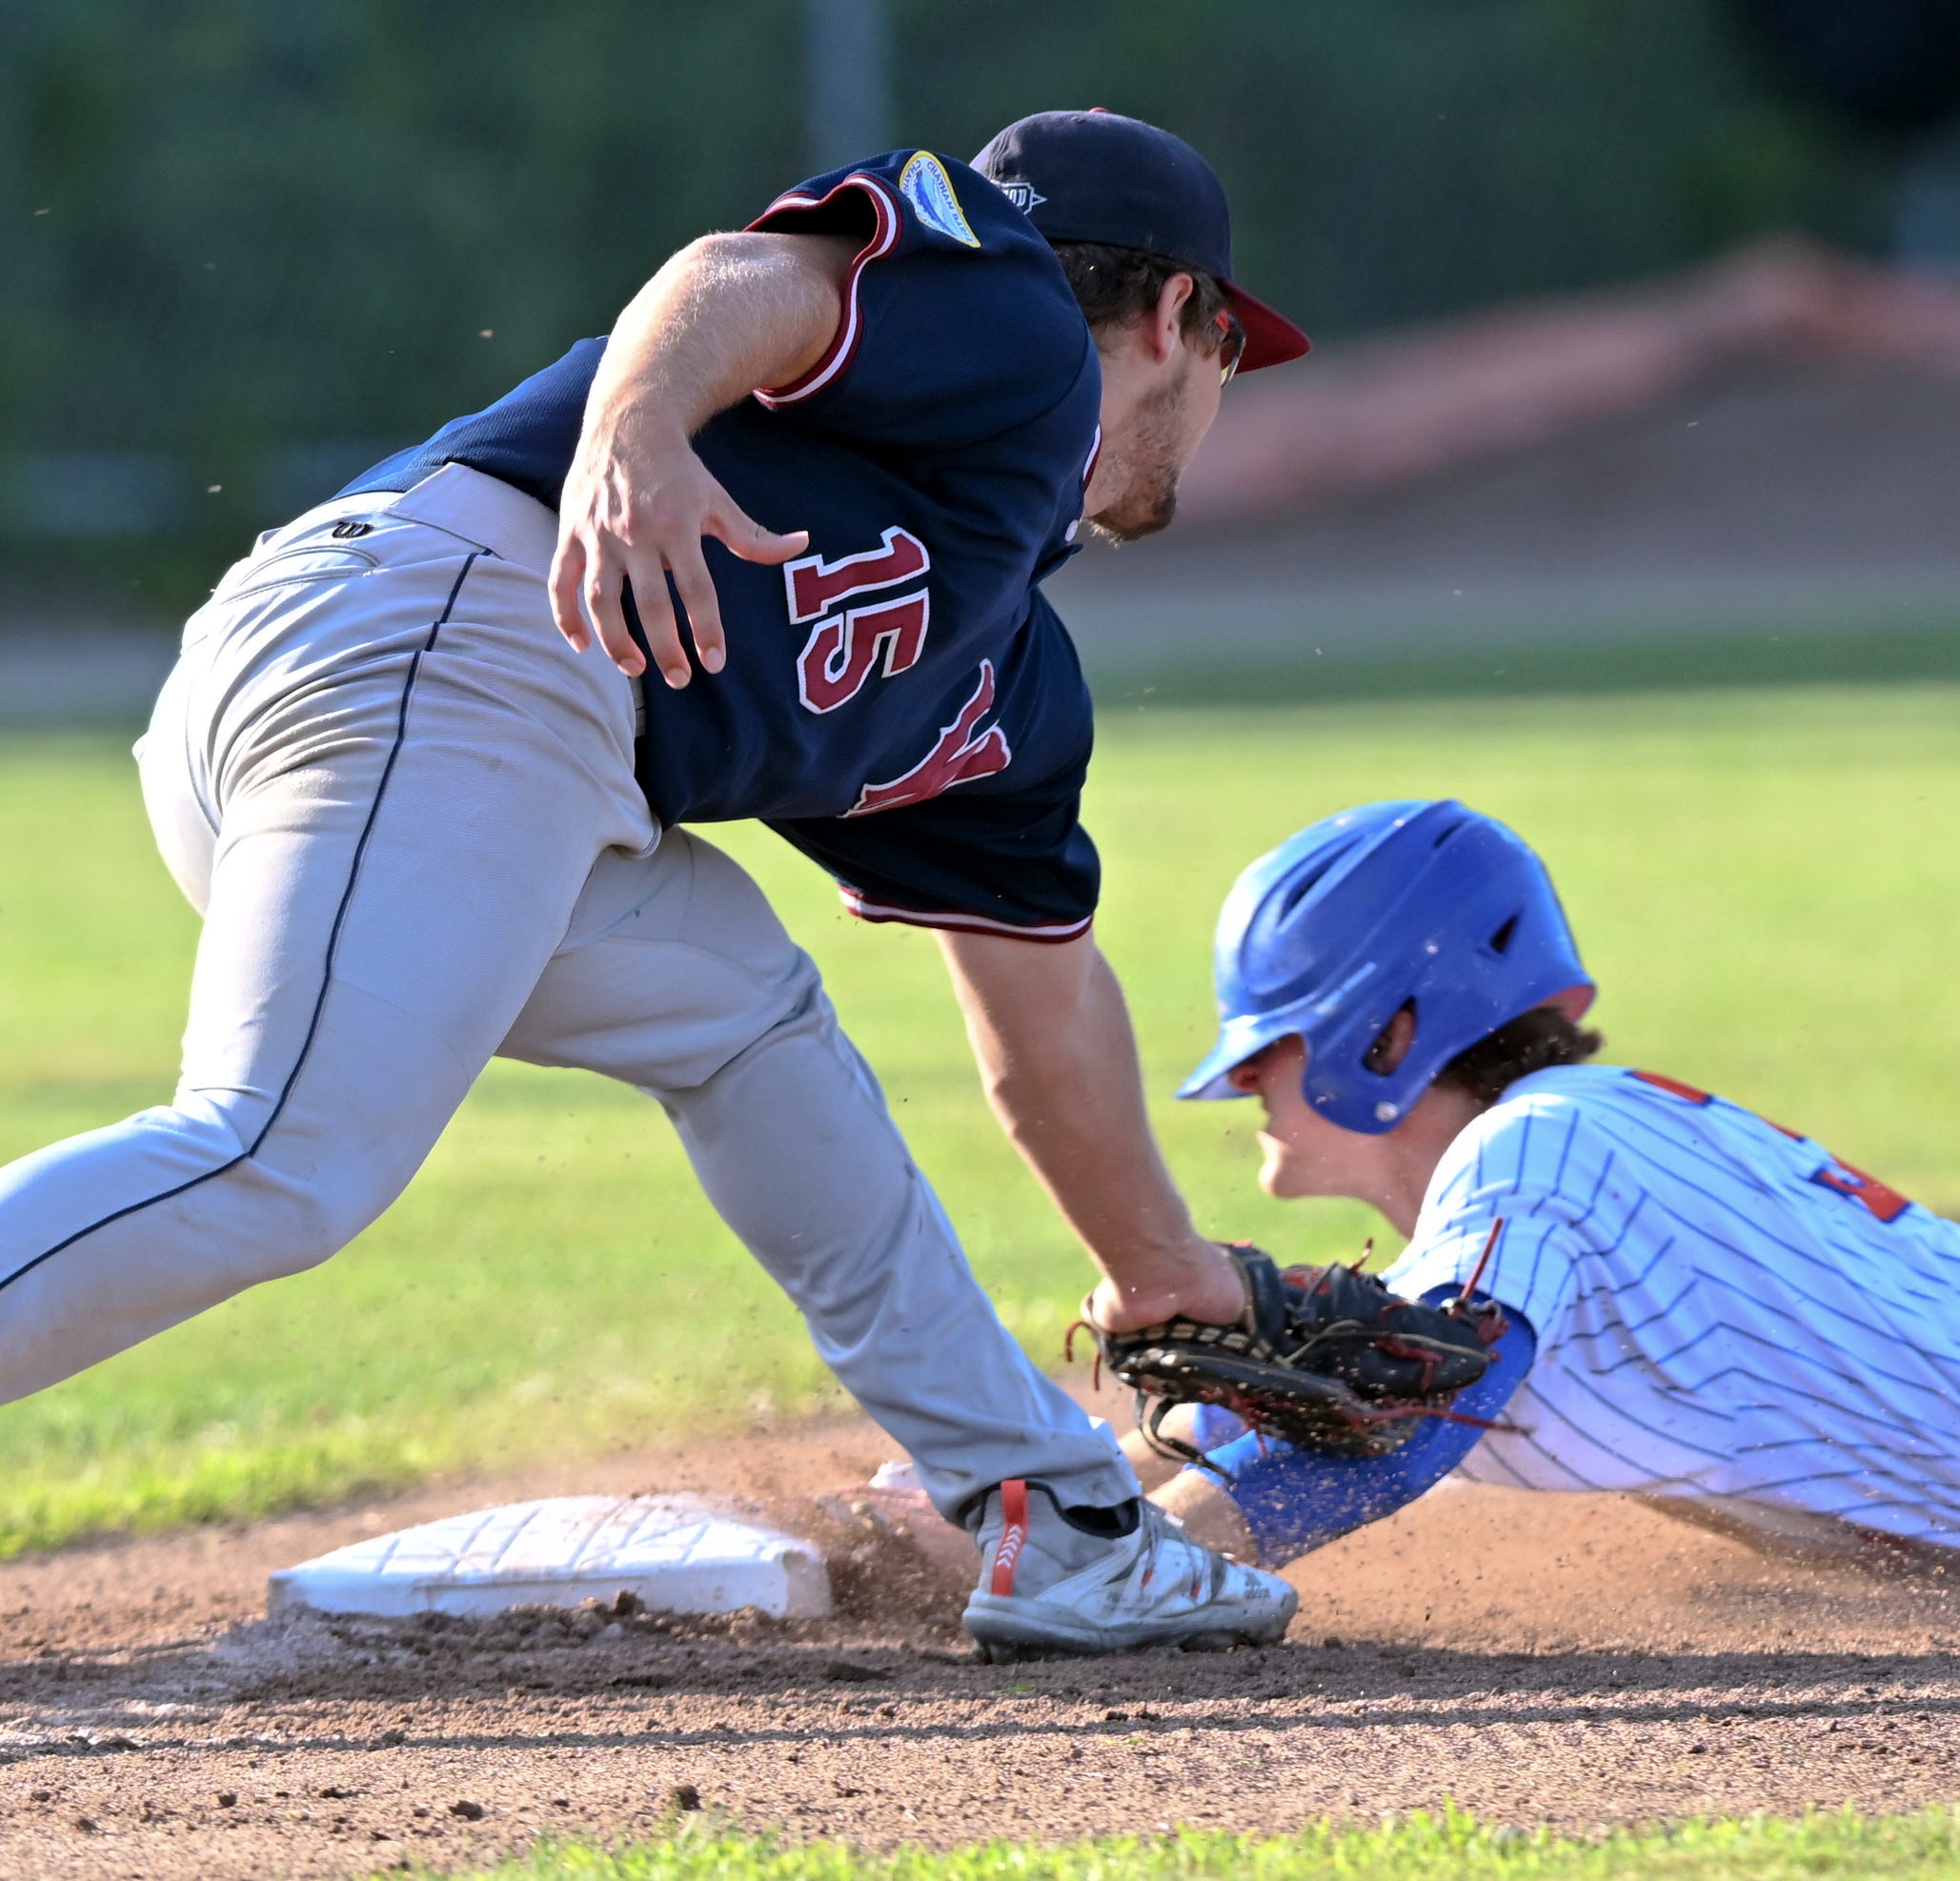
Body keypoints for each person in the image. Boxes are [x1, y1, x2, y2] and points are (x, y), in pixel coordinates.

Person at [0, 111, 1312, 1657]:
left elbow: (1044, 1014)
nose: (1223, 390)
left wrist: (1164, 1269)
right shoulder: (1017, 326)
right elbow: (748, 273)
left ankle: (1057, 1518)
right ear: (1178, 318)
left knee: (748, 1026)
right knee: (283, 1150)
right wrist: (633, 428)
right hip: (448, 640)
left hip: (475, 744)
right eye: (1231, 347)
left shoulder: (1003, 670)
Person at [1136, 799, 1960, 1571]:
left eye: (1270, 1037)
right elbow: (1319, 1406)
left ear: (1385, 1039)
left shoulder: (1531, 1151)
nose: (1240, 1077)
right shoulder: (1543, 1186)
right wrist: (1052, 1499)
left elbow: (1397, 1431)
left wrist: (1118, 1574)